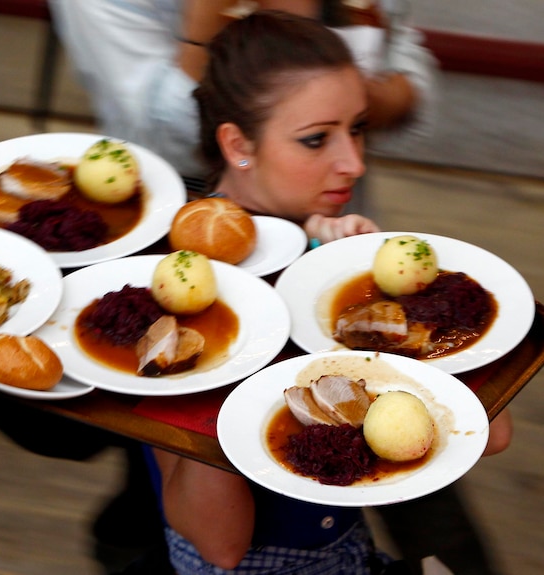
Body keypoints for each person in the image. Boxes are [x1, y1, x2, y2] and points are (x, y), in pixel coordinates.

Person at [134, 11, 512, 575]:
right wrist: (227, 362)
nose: (353, 163)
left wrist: (368, 295)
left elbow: (490, 432)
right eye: (316, 139)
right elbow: (222, 544)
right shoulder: (178, 296)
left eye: (356, 128)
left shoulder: (324, 263)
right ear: (238, 144)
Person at [48, 0, 437, 195]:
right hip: (177, 209)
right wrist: (205, 20)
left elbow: (404, 52)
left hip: (335, 211)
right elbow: (169, 142)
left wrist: (345, 104)